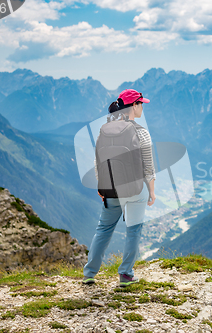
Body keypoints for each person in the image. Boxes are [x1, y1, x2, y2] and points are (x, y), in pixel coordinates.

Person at [82, 89, 156, 287]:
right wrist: (152, 191)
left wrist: (102, 185)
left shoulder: (104, 130)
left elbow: (98, 162)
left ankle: (89, 273)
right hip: (134, 189)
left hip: (111, 189)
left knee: (103, 230)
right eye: (141, 104)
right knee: (133, 230)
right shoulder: (141, 132)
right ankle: (125, 274)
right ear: (133, 105)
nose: (142, 107)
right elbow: (148, 167)